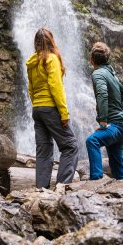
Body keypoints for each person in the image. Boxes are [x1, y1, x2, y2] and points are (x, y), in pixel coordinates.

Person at [26, 27, 79, 188]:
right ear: (51, 41)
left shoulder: (32, 62)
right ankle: (62, 186)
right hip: (50, 108)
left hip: (37, 109)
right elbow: (56, 88)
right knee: (70, 146)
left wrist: (37, 104)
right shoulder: (51, 59)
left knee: (43, 151)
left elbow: (30, 88)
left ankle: (41, 188)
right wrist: (64, 113)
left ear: (36, 43)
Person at [86, 42, 123, 180]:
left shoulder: (98, 73)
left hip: (114, 126)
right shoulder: (112, 74)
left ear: (91, 59)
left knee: (92, 141)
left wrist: (103, 120)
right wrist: (121, 113)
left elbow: (102, 95)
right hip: (121, 126)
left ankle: (96, 180)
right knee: (117, 167)